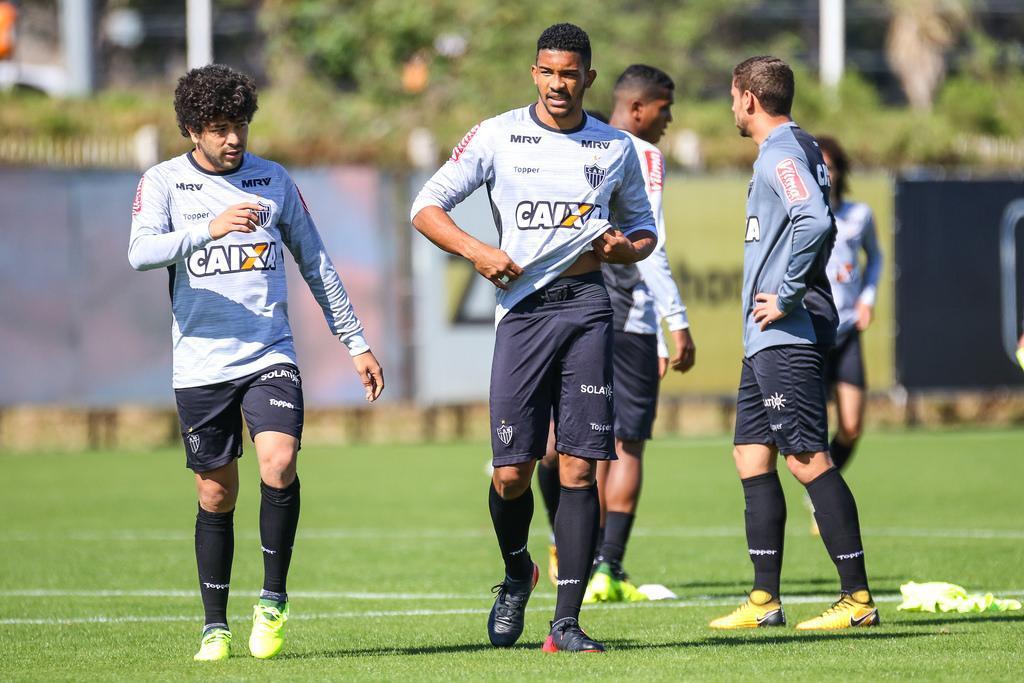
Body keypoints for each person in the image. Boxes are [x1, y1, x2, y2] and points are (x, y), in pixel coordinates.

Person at [411, 23, 656, 653]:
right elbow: (425, 206)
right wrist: (477, 251)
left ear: (588, 78)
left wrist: (622, 248)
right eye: (547, 71)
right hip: (522, 313)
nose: (557, 83)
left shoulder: (614, 148)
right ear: (533, 73)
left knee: (579, 468)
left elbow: (644, 233)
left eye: (569, 72)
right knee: (511, 474)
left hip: (588, 308)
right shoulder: (497, 134)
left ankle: (566, 623)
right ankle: (518, 571)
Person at [128, 64, 384, 661]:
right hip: (200, 365)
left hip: (269, 352)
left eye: (240, 125)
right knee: (215, 494)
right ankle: (214, 625)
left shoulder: (274, 181)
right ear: (193, 129)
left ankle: (272, 599)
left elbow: (316, 264)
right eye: (219, 128)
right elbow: (140, 253)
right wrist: (207, 231)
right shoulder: (164, 182)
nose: (234, 139)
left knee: (279, 460)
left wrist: (355, 342)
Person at [709, 56, 878, 631]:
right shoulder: (794, 146)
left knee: (807, 458)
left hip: (785, 329)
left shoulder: (782, 151)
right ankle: (765, 601)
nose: (732, 107)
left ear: (749, 99)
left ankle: (856, 600)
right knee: (752, 456)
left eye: (733, 97)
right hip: (764, 338)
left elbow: (814, 218)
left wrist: (784, 293)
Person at [534, 65, 696, 602]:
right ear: (637, 108)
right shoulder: (637, 154)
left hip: (553, 310)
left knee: (558, 442)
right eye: (664, 108)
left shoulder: (561, 149)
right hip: (622, 318)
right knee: (622, 445)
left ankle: (566, 541)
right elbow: (652, 245)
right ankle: (604, 565)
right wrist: (673, 323)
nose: (668, 120)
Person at [802, 135, 883, 534]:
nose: (827, 173)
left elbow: (876, 258)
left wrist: (867, 298)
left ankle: (819, 492)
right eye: (821, 166)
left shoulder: (859, 215)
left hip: (848, 329)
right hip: (813, 331)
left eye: (832, 166)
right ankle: (822, 500)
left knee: (851, 425)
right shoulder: (802, 213)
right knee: (813, 427)